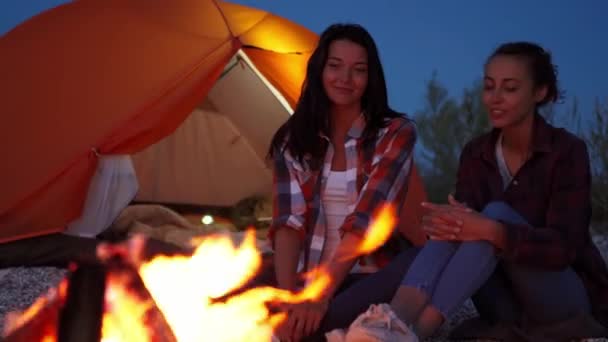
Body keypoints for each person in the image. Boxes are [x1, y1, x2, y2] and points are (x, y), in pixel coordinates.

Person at [357, 41, 608, 341]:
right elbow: (460, 230)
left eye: (510, 88)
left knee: (491, 216)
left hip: (562, 300)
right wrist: (449, 222)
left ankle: (419, 332)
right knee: (459, 221)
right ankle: (394, 322)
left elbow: (564, 248)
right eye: (489, 87)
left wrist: (494, 230)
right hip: (502, 303)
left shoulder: (566, 152)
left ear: (539, 93)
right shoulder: (477, 153)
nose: (495, 98)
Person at [267, 23, 421, 341]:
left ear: (371, 78)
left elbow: (366, 223)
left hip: (366, 274)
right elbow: (288, 223)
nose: (345, 79)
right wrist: (287, 300)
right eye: (335, 66)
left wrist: (320, 298)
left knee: (420, 259)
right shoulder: (293, 138)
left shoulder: (395, 133)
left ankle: (330, 324)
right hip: (307, 274)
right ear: (320, 70)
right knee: (234, 285)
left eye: (358, 70)